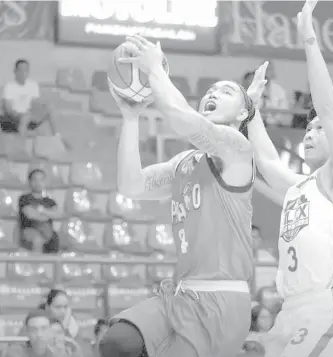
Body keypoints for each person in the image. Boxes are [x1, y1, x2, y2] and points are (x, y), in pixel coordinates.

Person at [99, 35, 257, 357]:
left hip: (221, 304)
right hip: (180, 295)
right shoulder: (184, 163)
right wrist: (131, 118)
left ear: (242, 115)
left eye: (226, 92)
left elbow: (185, 122)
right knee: (117, 342)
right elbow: (131, 185)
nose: (213, 93)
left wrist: (155, 69)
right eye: (210, 91)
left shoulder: (239, 152)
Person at [246, 1, 333, 355]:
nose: (308, 134)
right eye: (306, 129)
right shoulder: (302, 186)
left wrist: (309, 38)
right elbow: (265, 159)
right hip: (290, 309)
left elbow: (328, 108)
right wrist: (251, 109)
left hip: (329, 306)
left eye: (318, 129)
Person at [18, 169, 63, 253]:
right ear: (30, 182)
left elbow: (58, 215)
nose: (38, 182)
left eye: (41, 179)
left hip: (48, 231)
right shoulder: (24, 198)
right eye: (35, 179)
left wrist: (41, 210)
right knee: (37, 239)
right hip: (29, 231)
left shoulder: (50, 201)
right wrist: (48, 213)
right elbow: (30, 215)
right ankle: (37, 265)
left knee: (56, 238)